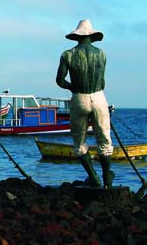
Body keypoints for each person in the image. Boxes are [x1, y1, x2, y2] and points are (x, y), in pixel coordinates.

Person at [55, 19, 114, 188]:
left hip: (79, 98)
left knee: (79, 142)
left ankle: (94, 177)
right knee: (104, 141)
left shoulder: (68, 54)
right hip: (98, 97)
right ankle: (107, 180)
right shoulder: (102, 54)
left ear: (77, 37)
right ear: (92, 36)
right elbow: (102, 82)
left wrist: (72, 87)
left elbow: (59, 80)